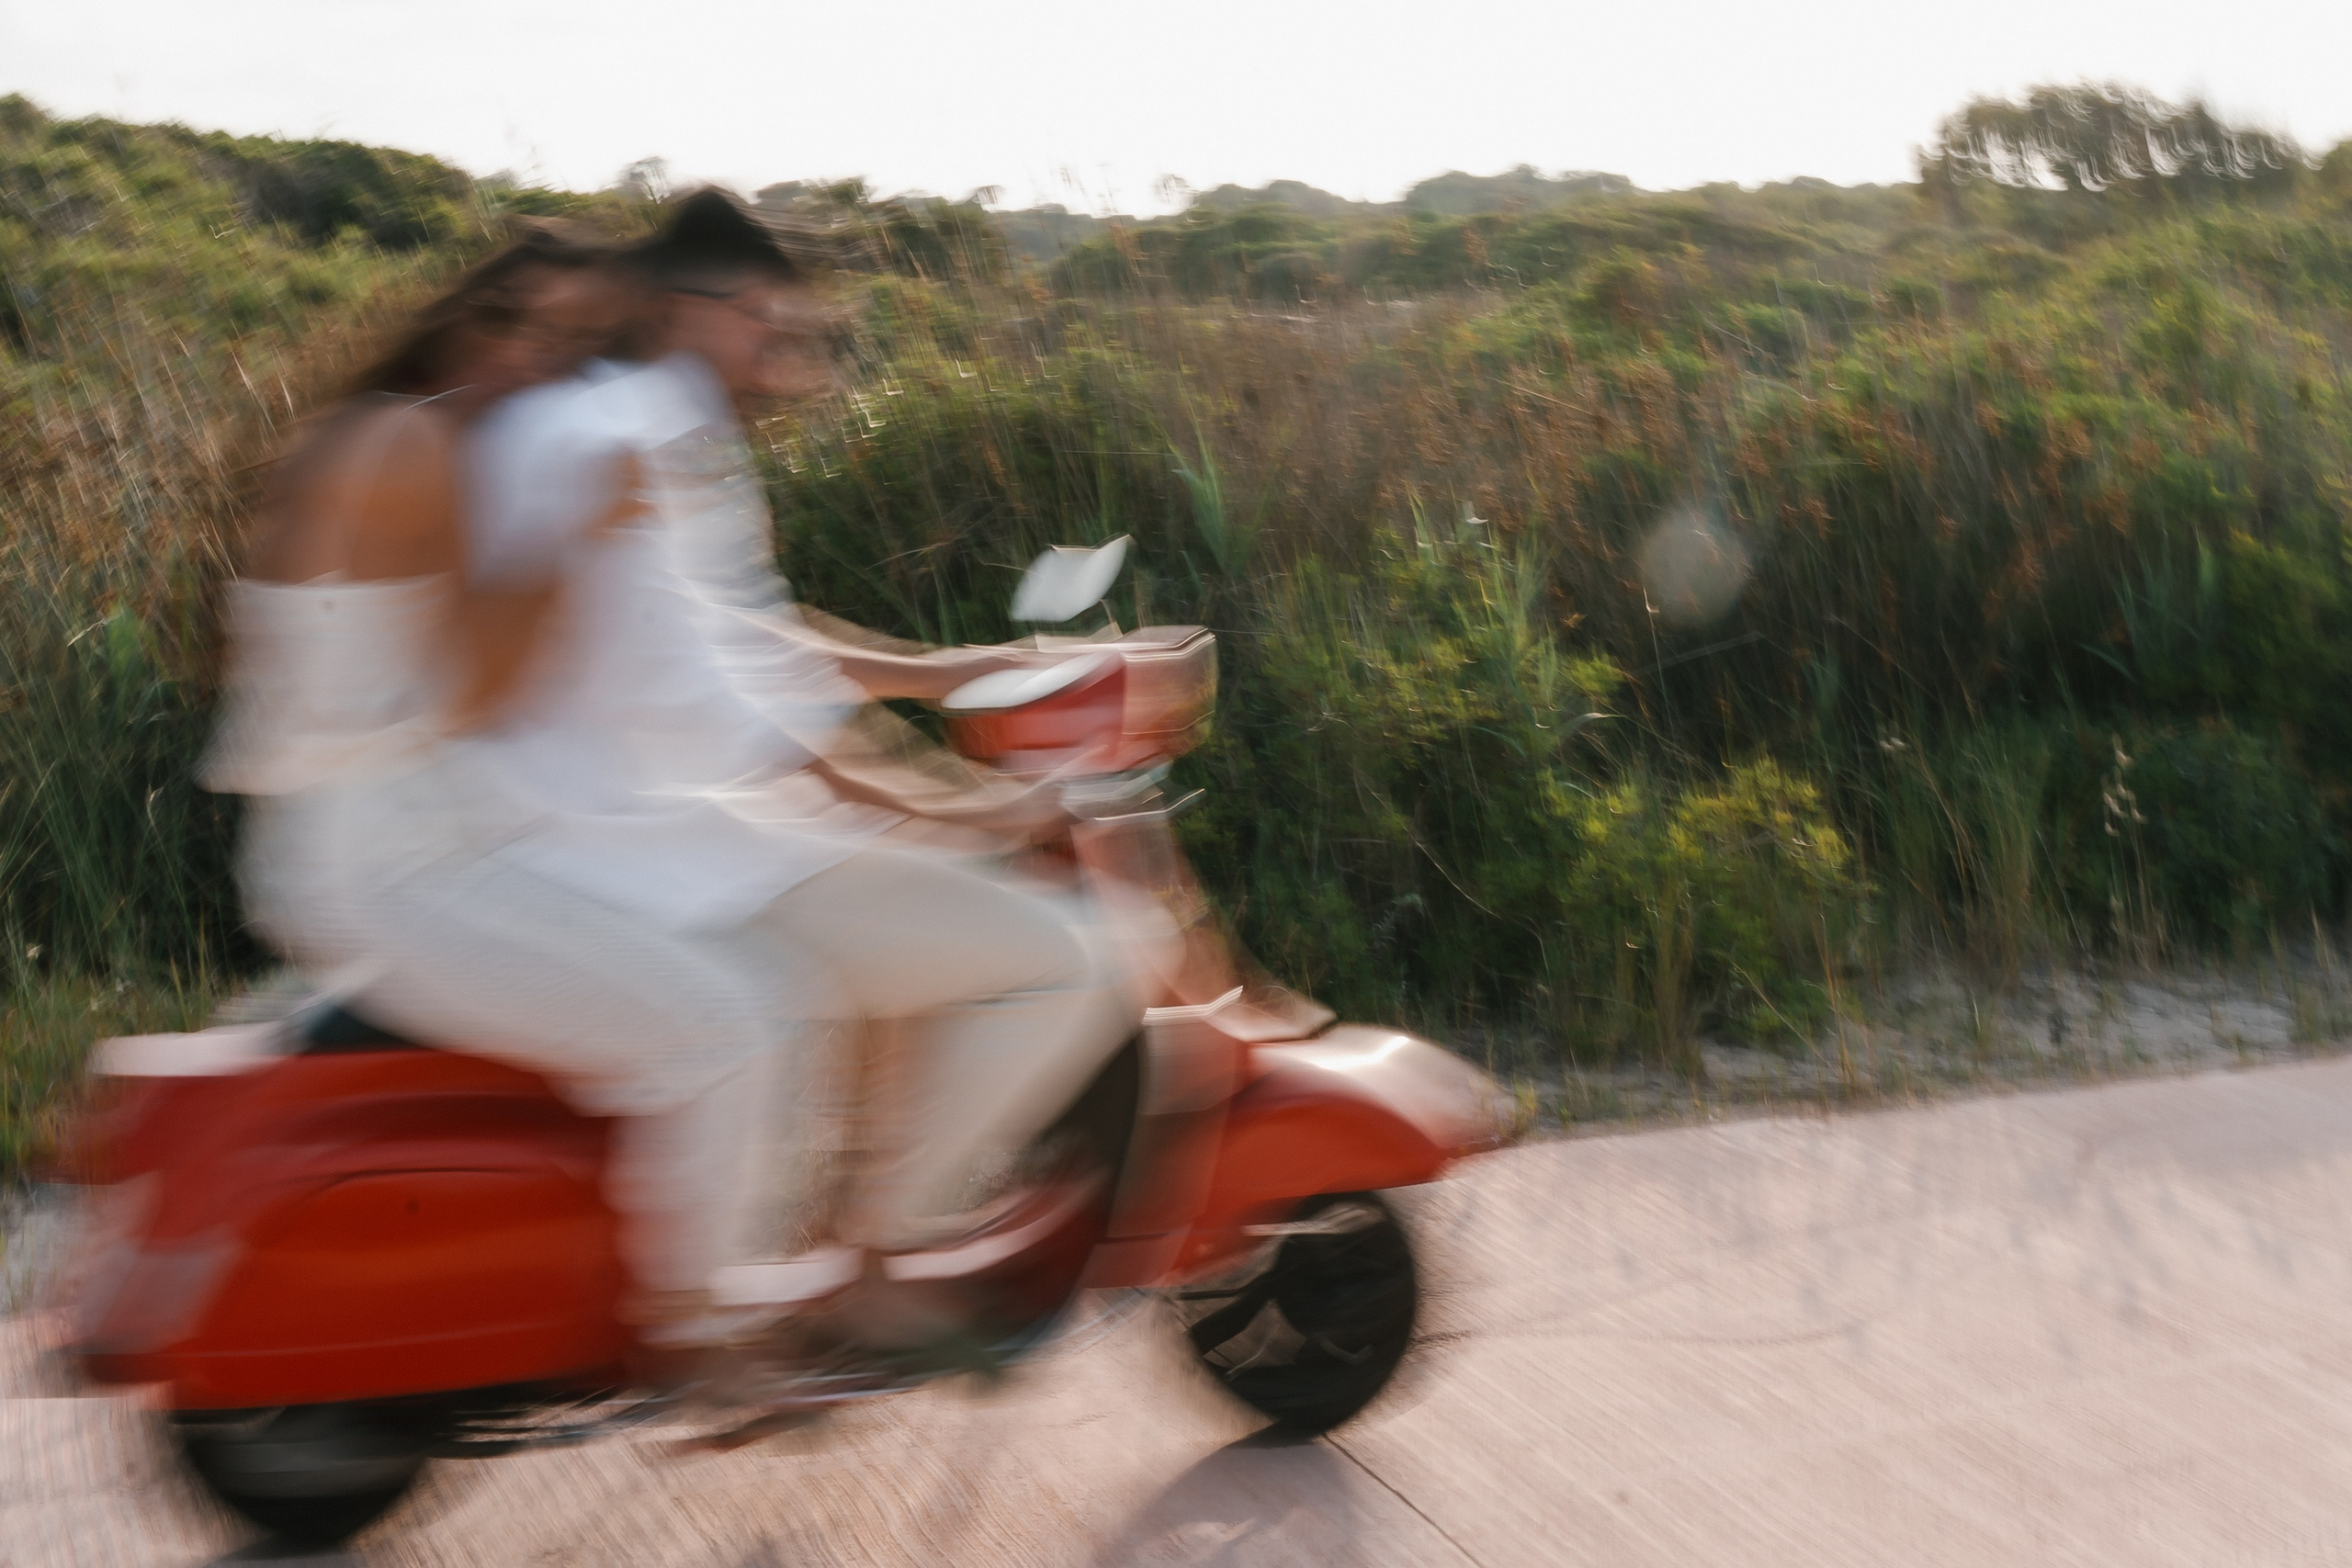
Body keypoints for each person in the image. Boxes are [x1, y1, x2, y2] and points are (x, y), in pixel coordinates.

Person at [433, 189, 1136, 1351]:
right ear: (681, 308)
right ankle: (872, 1259)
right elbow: (710, 703)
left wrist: (943, 674)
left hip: (606, 822)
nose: (785, 348)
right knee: (1068, 962)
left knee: (925, 915)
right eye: (766, 316)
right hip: (637, 844)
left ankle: (850, 1240)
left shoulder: (630, 420)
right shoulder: (649, 437)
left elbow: (742, 638)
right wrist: (948, 811)